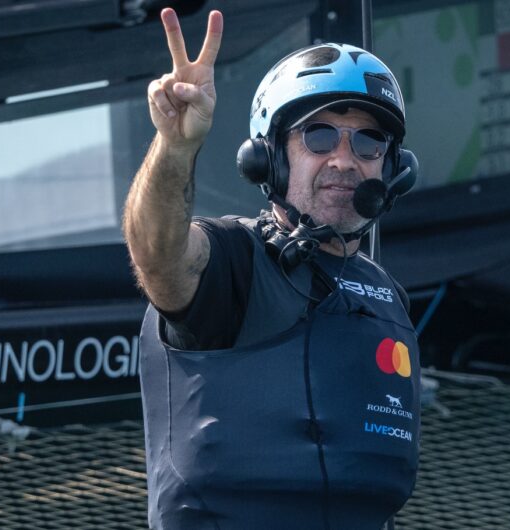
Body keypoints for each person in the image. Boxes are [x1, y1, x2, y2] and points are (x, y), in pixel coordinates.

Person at [123, 7, 420, 530]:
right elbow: (157, 253)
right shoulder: (235, 260)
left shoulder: (388, 296)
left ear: (392, 168)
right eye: (319, 136)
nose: (345, 159)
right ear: (270, 157)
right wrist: (175, 147)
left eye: (368, 141)